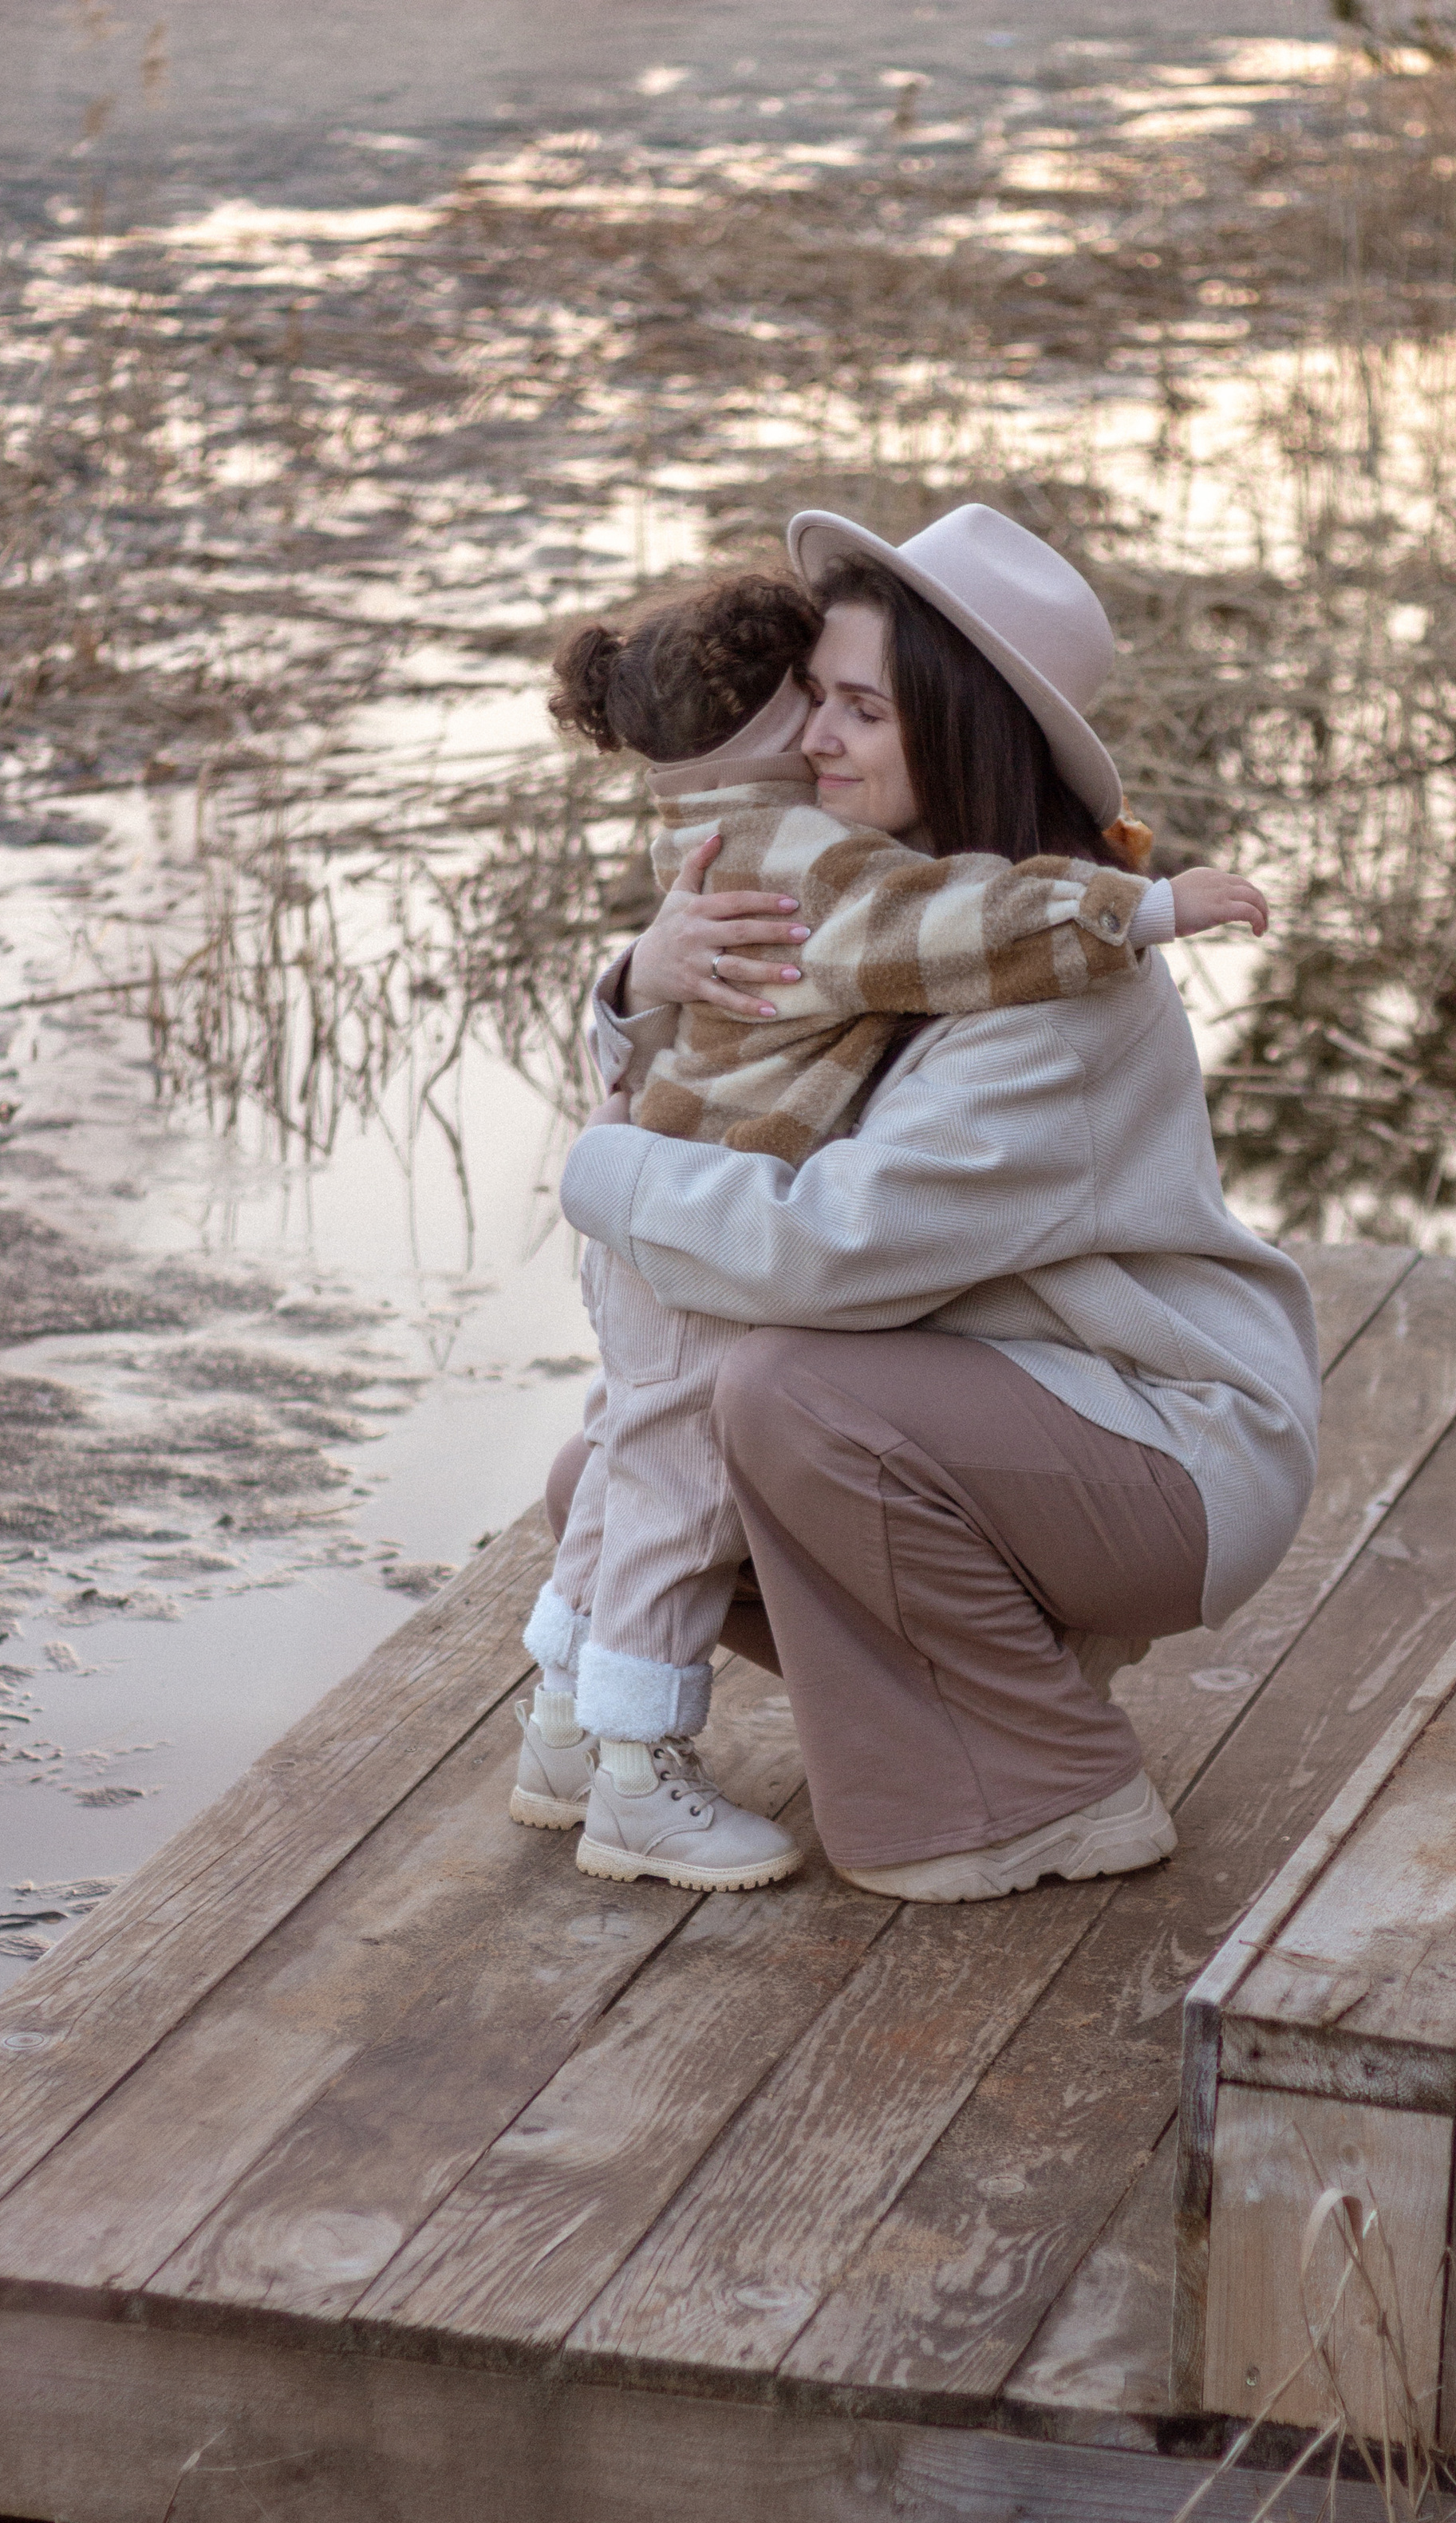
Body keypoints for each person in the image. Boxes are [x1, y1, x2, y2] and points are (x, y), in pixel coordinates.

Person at [551, 500, 1320, 1903]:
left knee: (782, 1396)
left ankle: (1039, 1792)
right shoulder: (885, 912)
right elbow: (727, 1078)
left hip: (1164, 1434)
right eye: (811, 703)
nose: (813, 743)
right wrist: (636, 986)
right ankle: (945, 1697)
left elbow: (827, 1248)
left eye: (859, 711)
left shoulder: (1059, 990)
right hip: (986, 1398)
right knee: (608, 1473)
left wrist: (602, 1172)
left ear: (961, 731)